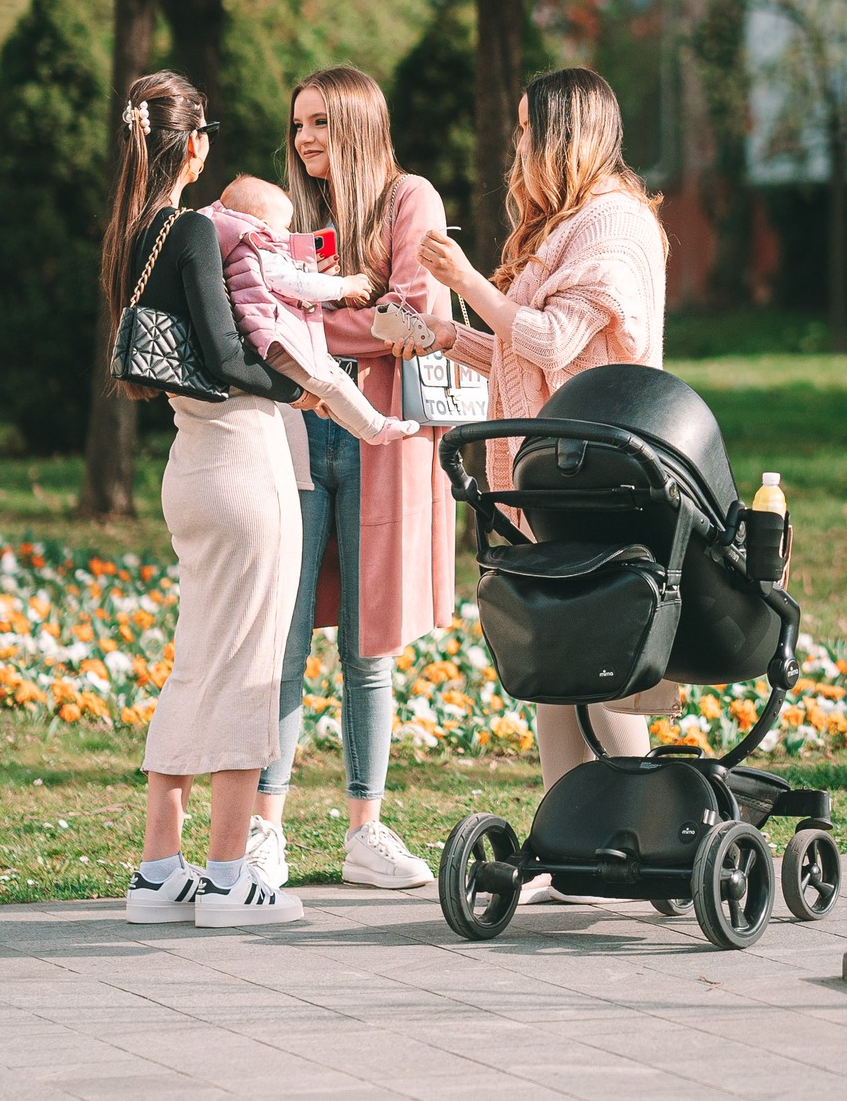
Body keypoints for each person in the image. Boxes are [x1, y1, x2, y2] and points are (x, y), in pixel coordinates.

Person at [394, 66, 667, 894]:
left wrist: (469, 284)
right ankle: (568, 842)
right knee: (557, 651)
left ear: (563, 134)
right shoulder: (572, 228)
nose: (517, 146)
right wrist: (442, 334)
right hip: (562, 474)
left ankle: (650, 837)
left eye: (525, 130)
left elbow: (550, 343)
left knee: (603, 655)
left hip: (608, 473)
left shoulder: (612, 228)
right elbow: (525, 349)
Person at [104, 73, 310, 927]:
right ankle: (229, 878)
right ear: (195, 146)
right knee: (249, 668)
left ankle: (160, 872)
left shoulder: (128, 230)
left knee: (198, 660)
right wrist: (304, 388)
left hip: (189, 467)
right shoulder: (190, 228)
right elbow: (229, 358)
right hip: (240, 463)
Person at [245, 66, 456, 893]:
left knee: (370, 647)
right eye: (298, 123)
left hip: (383, 444)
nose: (305, 139)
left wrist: (308, 316)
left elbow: (411, 320)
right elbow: (260, 306)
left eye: (322, 123)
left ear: (360, 124)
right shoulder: (291, 213)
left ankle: (365, 833)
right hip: (298, 438)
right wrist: (347, 312)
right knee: (283, 639)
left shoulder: (411, 201)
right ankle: (267, 830)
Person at [204, 174, 419, 447]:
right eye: (285, 226)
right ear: (262, 226)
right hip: (276, 338)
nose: (289, 232)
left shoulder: (242, 247)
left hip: (272, 335)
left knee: (331, 381)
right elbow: (296, 285)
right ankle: (375, 429)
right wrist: (344, 286)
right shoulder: (259, 251)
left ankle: (366, 426)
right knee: (329, 382)